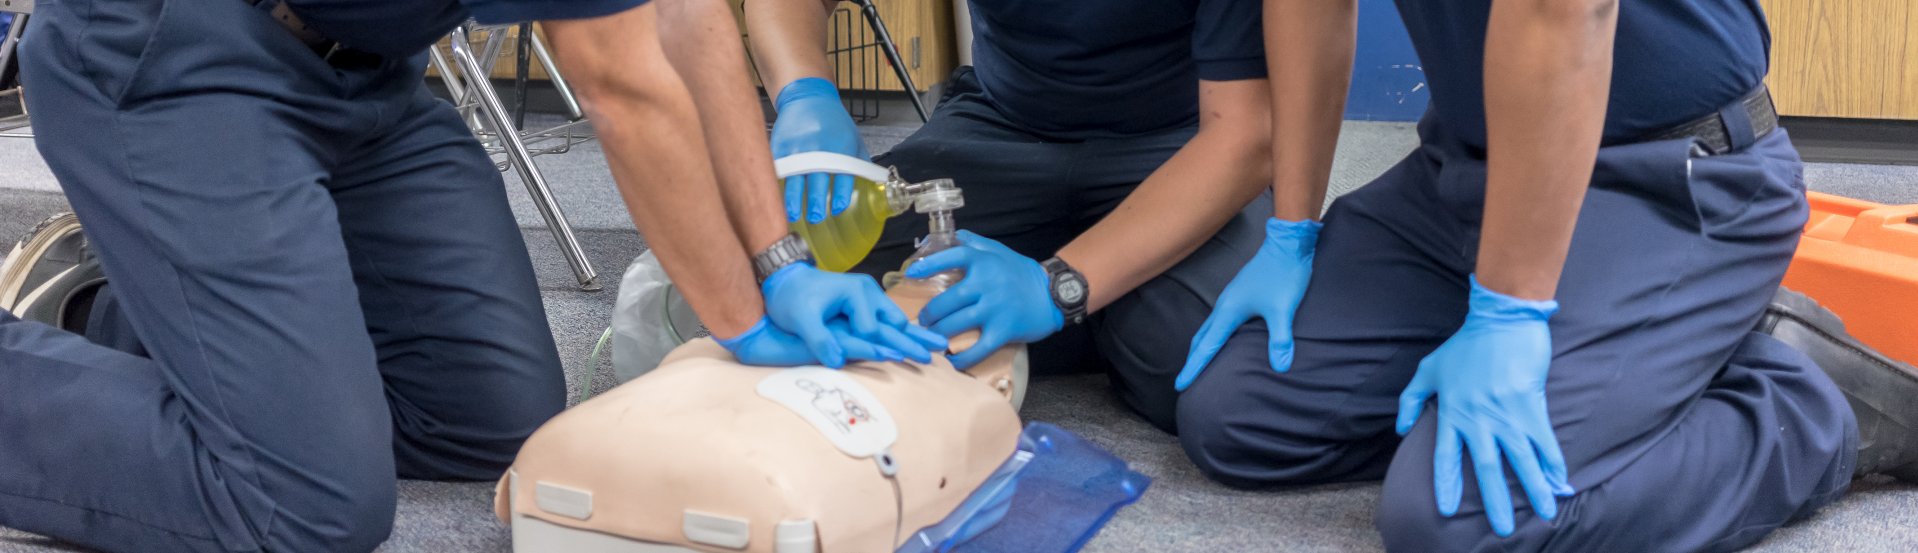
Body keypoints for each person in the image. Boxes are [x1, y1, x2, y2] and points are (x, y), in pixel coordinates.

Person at [0, 0, 936, 550]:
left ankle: (105, 303)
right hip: (177, 54)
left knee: (489, 421)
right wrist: (742, 318)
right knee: (307, 505)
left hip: (364, 73)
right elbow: (621, 81)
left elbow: (687, 24)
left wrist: (779, 261)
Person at [1172, 0, 1918, 551]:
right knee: (1240, 417)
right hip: (1464, 173)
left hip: (1670, 178)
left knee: (1461, 522)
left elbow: (1561, 8)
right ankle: (1636, 356)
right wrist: (1292, 228)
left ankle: (1808, 410)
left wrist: (1507, 311)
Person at [746, 0, 1274, 431]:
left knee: (1198, 373)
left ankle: (1088, 292)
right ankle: (1105, 296)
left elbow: (1248, 133)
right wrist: (804, 90)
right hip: (1002, 123)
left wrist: (1060, 285)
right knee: (800, 280)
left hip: (1186, 141)